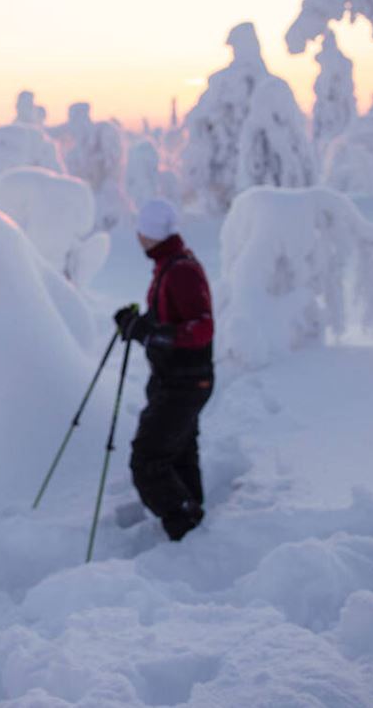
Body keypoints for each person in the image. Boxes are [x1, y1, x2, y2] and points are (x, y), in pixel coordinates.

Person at [113, 199, 214, 542]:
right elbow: (171, 323)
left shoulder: (181, 269)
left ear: (152, 232)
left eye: (141, 229)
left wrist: (151, 332)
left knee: (147, 460)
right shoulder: (169, 264)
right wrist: (138, 325)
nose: (138, 236)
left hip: (184, 383)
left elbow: (202, 328)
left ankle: (184, 522)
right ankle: (192, 523)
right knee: (179, 452)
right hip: (176, 379)